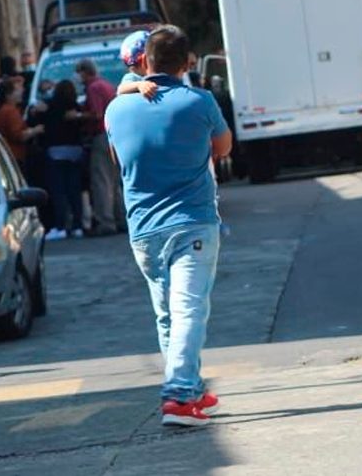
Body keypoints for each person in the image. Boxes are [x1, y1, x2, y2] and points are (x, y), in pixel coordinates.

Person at [105, 25, 233, 427]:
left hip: (142, 228)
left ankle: (191, 389)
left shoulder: (115, 109)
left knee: (168, 316)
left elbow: (117, 158)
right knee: (190, 309)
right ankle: (178, 396)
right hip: (192, 221)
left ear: (146, 62)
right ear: (188, 62)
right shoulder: (200, 101)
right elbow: (224, 147)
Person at [76, 59, 124, 236]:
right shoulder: (106, 85)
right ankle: (121, 218)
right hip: (114, 134)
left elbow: (96, 113)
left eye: (79, 73)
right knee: (114, 181)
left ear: (84, 72)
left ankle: (106, 221)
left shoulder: (93, 88)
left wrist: (78, 115)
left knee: (101, 181)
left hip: (101, 135)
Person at [41, 80, 85, 241]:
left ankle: (60, 226)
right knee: (74, 191)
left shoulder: (51, 106)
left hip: (55, 151)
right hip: (75, 151)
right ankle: (78, 226)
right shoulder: (76, 106)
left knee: (59, 192)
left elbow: (44, 124)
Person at [0, 78, 44, 165]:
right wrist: (36, 130)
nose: (21, 92)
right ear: (8, 95)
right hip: (14, 157)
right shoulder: (10, 111)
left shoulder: (2, 111)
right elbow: (19, 135)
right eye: (17, 90)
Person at [117, 30, 159, 99]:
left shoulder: (152, 75)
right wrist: (139, 85)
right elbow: (121, 89)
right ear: (144, 61)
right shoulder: (133, 77)